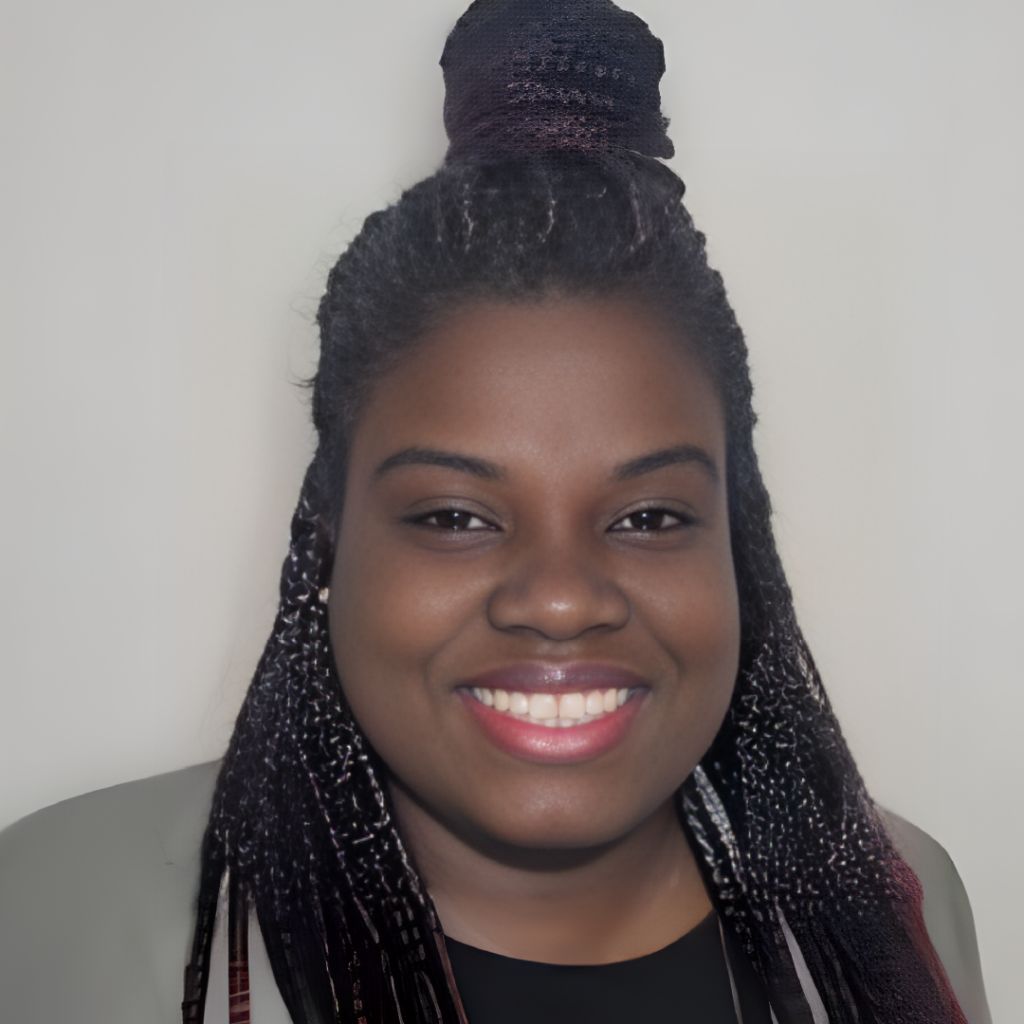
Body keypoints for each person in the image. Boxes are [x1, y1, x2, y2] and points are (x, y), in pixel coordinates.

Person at [0, 1, 991, 1023]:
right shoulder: (56, 908)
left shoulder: (895, 904)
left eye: (649, 517)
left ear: (738, 548)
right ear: (331, 536)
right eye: (453, 516)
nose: (560, 600)